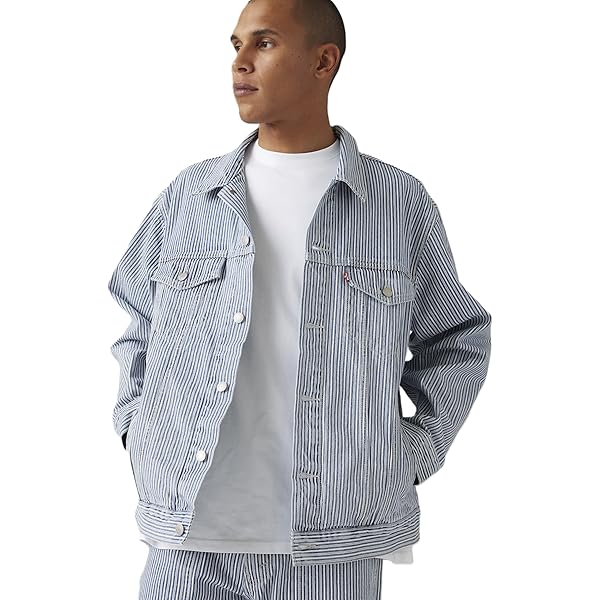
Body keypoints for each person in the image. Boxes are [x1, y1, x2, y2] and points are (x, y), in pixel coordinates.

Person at [107, 0, 492, 598]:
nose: (240, 62)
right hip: (188, 536)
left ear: (323, 61)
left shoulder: (396, 203)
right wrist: (137, 430)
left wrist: (408, 453)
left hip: (336, 541)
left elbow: (456, 338)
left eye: (263, 43)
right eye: (236, 45)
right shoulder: (191, 196)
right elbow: (138, 321)